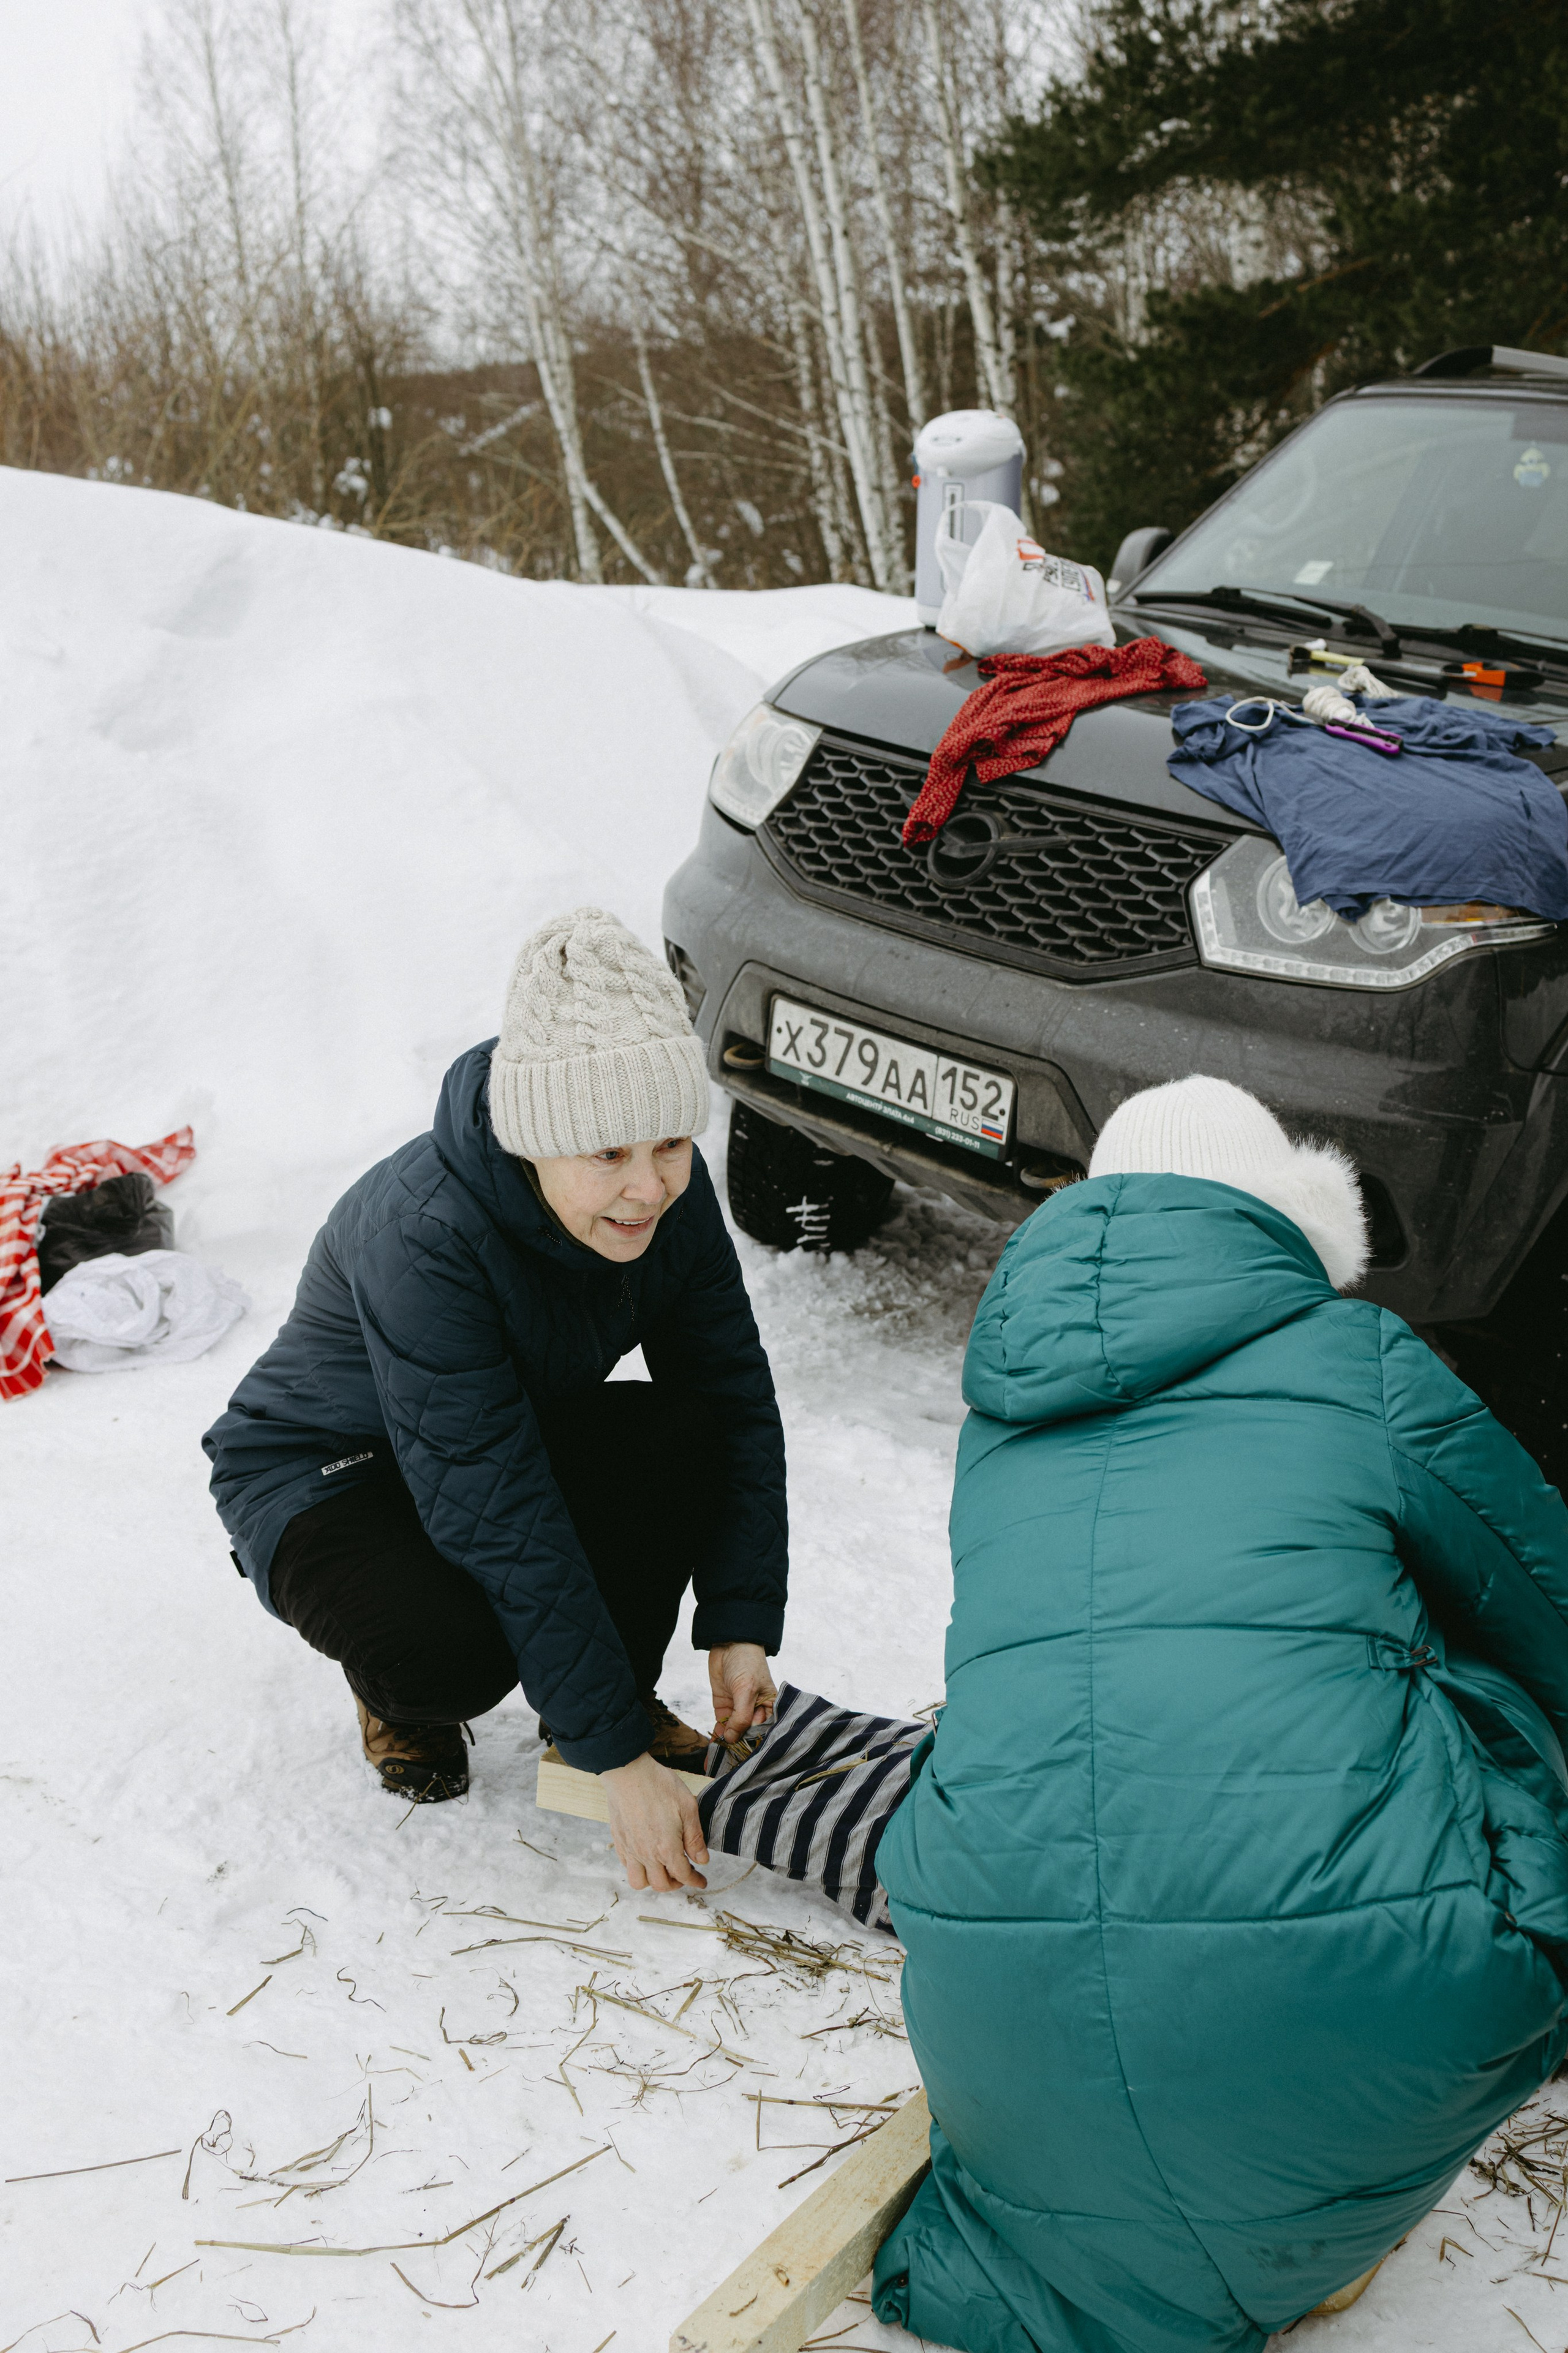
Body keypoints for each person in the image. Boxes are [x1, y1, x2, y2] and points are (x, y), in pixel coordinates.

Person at [864, 1075, 1568, 2353]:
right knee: (1497, 1676)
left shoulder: (998, 1425)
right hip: (1343, 2029)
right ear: (1287, 1220)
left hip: (997, 2039)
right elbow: (1548, 1608)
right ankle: (1314, 2185)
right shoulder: (1356, 1360)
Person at [203, 907, 786, 1894]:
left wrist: (741, 1622)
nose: (648, 1187)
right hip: (326, 1472)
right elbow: (494, 1501)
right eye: (607, 1155)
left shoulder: (667, 1199)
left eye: (673, 1145)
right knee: (453, 1651)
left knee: (682, 1429)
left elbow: (731, 1398)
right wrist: (623, 1768)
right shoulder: (424, 1232)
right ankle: (405, 1697)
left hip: (491, 1431)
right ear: (537, 1140)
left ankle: (600, 1711)